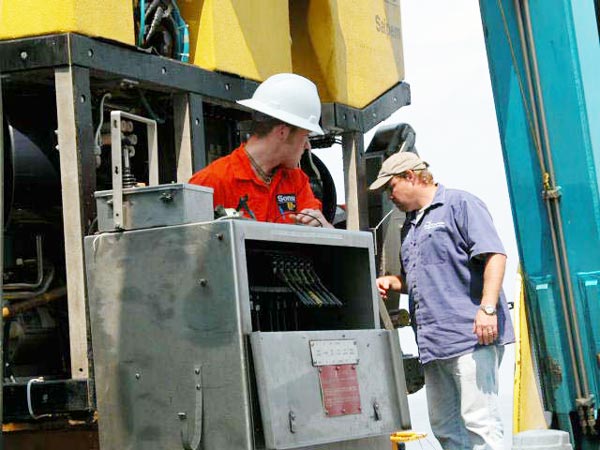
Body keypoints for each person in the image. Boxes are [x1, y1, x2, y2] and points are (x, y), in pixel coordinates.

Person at [371, 152, 515, 449]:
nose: (390, 196)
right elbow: (425, 281)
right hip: (433, 345)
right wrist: (394, 283)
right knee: (445, 427)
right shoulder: (409, 228)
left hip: (470, 338)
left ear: (411, 176)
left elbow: (494, 255)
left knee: (480, 424)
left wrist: (488, 309)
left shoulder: (460, 204)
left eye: (391, 187)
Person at [189, 73, 332, 228]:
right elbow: (188, 245)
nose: (307, 146)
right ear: (282, 132)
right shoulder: (212, 182)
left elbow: (329, 242)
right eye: (305, 136)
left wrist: (324, 226)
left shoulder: (297, 181)